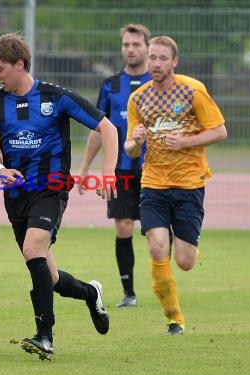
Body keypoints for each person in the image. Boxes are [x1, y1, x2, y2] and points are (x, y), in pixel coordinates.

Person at [0, 32, 118, 360]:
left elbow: (107, 128)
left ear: (19, 64)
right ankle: (90, 293)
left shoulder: (56, 98)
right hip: (16, 196)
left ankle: (45, 335)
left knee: (32, 249)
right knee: (49, 275)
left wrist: (109, 172)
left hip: (52, 189)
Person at [125, 36, 227, 335]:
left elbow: (220, 131)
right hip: (153, 184)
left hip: (189, 184)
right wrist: (136, 141)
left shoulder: (193, 90)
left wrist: (186, 141)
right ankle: (175, 319)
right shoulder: (138, 99)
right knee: (157, 248)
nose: (155, 64)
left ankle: (186, 242)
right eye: (152, 58)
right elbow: (130, 148)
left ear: (174, 62)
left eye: (162, 59)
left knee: (184, 261)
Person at [77, 24, 151, 308]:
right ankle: (129, 292)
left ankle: (161, 277)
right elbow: (98, 129)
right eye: (126, 44)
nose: (130, 49)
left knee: (154, 229)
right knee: (123, 226)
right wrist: (84, 168)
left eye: (136, 44)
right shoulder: (110, 86)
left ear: (147, 47)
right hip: (120, 169)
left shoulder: (157, 85)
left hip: (155, 169)